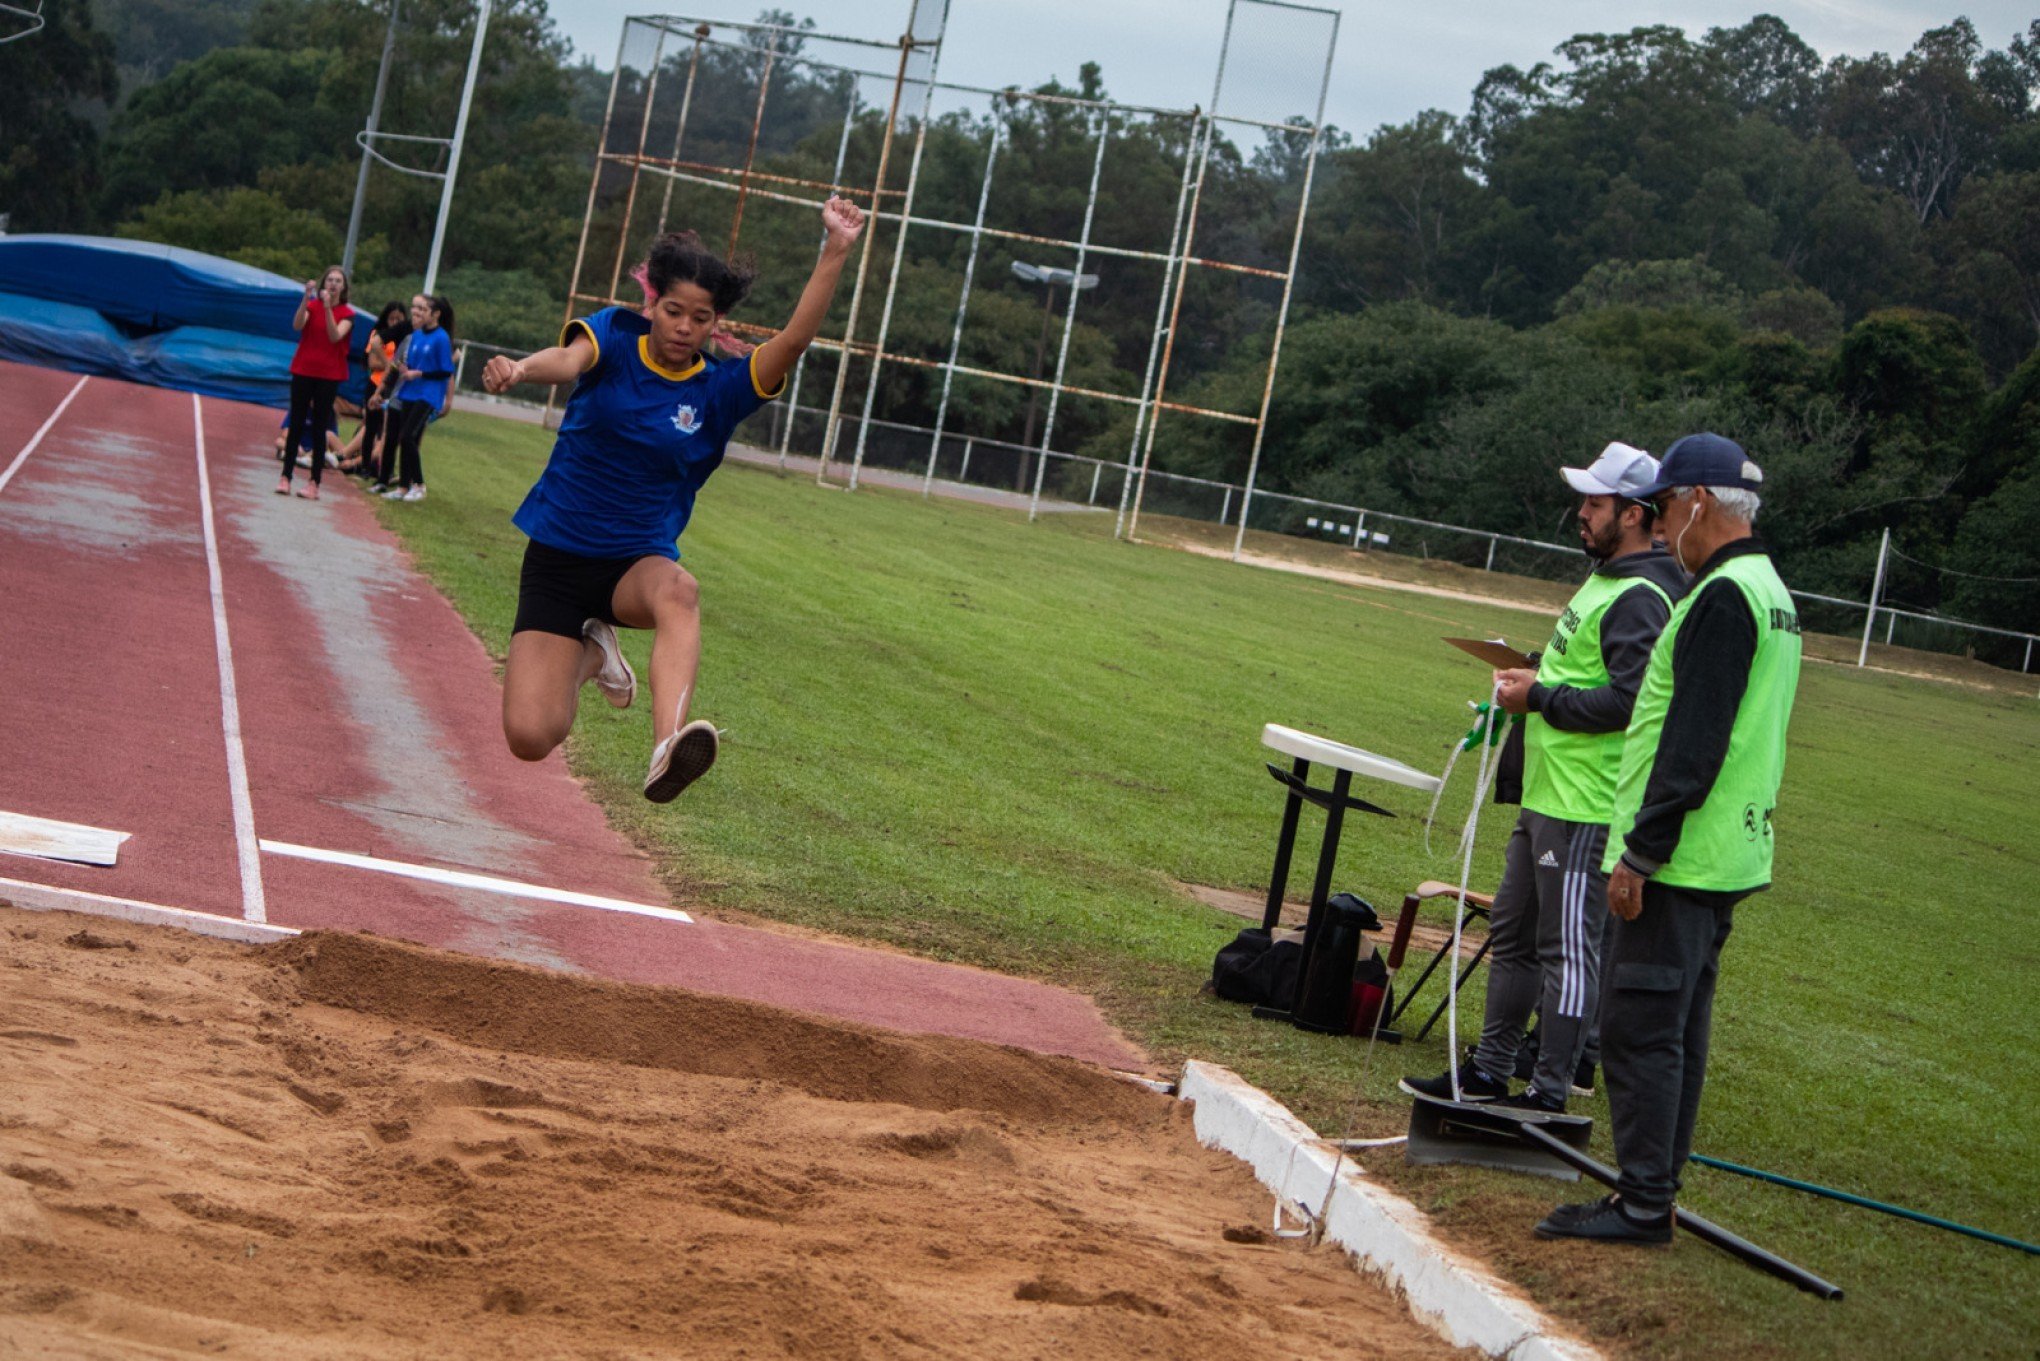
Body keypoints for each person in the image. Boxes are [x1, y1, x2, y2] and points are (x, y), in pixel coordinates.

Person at [479, 194, 867, 802]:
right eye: (673, 311)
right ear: (651, 303)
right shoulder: (612, 335)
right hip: (556, 557)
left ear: (716, 324)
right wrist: (522, 369)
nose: (684, 327)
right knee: (531, 736)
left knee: (680, 591)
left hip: (633, 565)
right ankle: (592, 649)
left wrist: (835, 251)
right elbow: (567, 358)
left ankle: (667, 747)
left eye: (701, 318)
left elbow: (791, 343)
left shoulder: (719, 391)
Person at [1537, 433, 1802, 1245]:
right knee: (1678, 1026)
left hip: (1684, 855)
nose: (1662, 524)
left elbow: (1693, 743)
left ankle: (1644, 1200)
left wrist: (1641, 853)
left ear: (1697, 505)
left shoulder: (1724, 597)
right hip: (1726, 853)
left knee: (1641, 1026)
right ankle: (1653, 1189)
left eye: (1665, 507)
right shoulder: (1766, 589)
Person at [1402, 443, 1685, 1113]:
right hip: (1546, 797)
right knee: (1513, 933)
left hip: (1586, 806)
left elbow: (1628, 703)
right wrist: (1533, 683)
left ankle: (1549, 1093)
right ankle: (1489, 1072)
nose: (1580, 514)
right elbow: (1582, 677)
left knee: (1567, 951)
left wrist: (1540, 698)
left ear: (1638, 514)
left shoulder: (1643, 595)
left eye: (1595, 503)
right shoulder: (1607, 577)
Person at [278, 265, 355, 501]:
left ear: (343, 288)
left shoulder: (347, 314)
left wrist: (330, 309)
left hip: (329, 374)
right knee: (297, 421)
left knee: (321, 425)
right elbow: (298, 325)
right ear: (323, 284)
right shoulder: (313, 306)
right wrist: (305, 298)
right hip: (304, 368)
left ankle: (314, 482)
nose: (332, 284)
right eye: (329, 280)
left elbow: (334, 336)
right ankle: (286, 476)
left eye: (337, 281)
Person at [372, 293, 454, 502]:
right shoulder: (416, 336)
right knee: (402, 438)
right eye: (417, 308)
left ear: (435, 314)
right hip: (409, 392)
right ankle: (401, 488)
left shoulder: (442, 338)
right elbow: (408, 364)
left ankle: (419, 484)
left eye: (424, 309)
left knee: (408, 437)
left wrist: (420, 374)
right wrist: (403, 370)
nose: (418, 313)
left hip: (428, 395)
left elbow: (445, 371)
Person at [352, 300, 410, 481]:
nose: (395, 322)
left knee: (389, 431)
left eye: (398, 319)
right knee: (371, 426)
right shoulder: (378, 335)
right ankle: (365, 466)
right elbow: (372, 362)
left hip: (395, 387)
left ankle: (385, 469)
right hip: (376, 384)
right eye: (392, 318)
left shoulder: (405, 337)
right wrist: (390, 365)